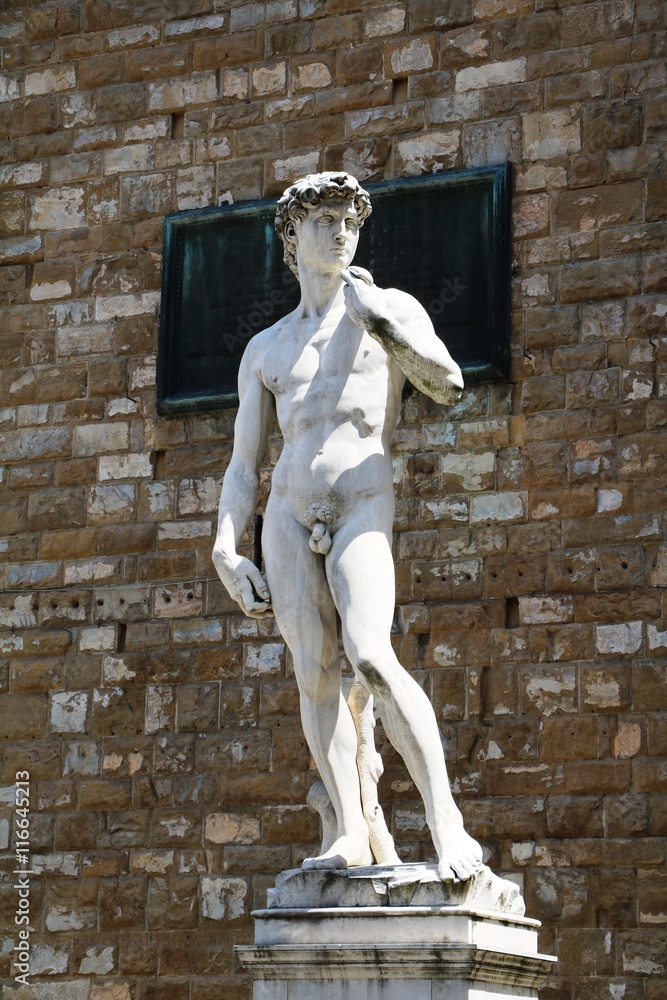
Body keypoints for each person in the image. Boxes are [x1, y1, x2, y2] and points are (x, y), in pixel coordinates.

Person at [212, 172, 483, 881]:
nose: (339, 233)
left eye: (349, 221)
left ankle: (445, 822)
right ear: (290, 237)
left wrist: (383, 327)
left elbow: (447, 384)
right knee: (314, 675)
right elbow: (245, 465)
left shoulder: (387, 307)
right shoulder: (266, 348)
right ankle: (353, 832)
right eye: (324, 220)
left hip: (362, 503)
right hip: (287, 514)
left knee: (368, 653)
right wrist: (223, 547)